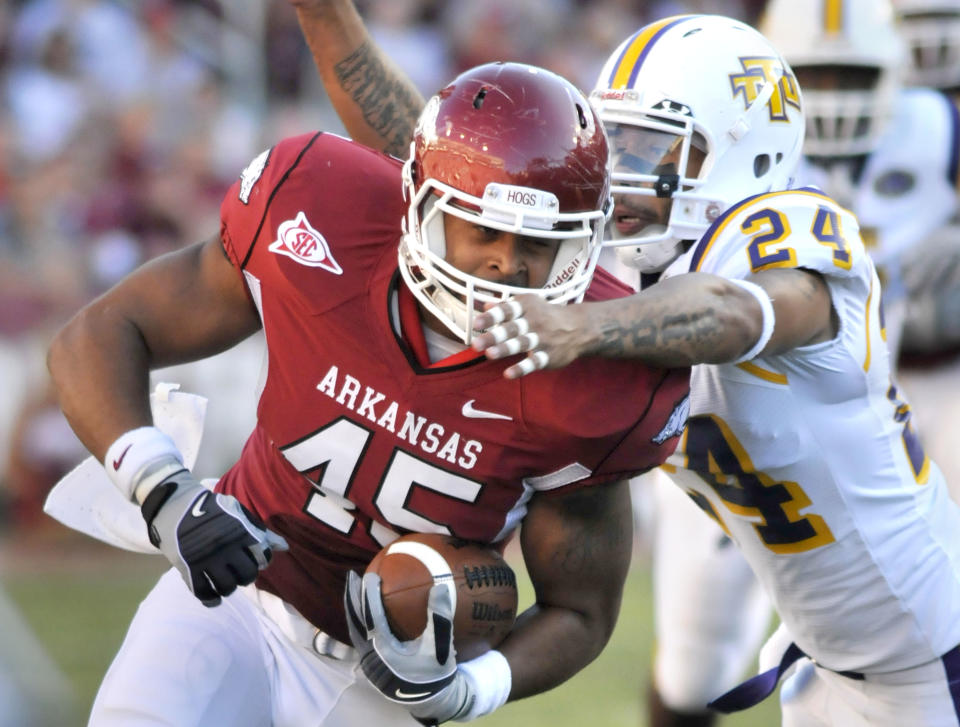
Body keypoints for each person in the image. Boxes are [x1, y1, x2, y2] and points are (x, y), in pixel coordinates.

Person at [46, 56, 692, 727]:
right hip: (229, 602)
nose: (508, 262)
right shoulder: (327, 214)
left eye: (539, 242)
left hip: (380, 685)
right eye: (484, 230)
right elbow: (102, 332)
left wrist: (470, 688)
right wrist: (166, 493)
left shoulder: (600, 373)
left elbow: (579, 610)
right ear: (418, 202)